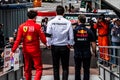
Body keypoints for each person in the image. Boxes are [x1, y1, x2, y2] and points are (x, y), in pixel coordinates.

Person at [10, 10, 47, 80]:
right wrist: (47, 44)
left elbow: (17, 40)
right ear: (35, 17)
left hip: (26, 50)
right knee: (39, 68)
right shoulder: (37, 26)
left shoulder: (22, 26)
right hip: (35, 50)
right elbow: (43, 39)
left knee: (27, 68)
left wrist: (13, 50)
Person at [46, 5, 74, 80]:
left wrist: (48, 44)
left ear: (56, 12)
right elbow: (71, 36)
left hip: (54, 46)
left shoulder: (51, 22)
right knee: (65, 67)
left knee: (55, 67)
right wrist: (70, 44)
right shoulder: (68, 22)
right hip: (65, 46)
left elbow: (48, 34)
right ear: (63, 13)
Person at [73, 14, 96, 80]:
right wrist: (94, 52)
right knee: (86, 69)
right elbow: (93, 43)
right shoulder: (89, 31)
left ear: (78, 20)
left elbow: (71, 41)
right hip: (87, 53)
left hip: (77, 53)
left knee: (77, 69)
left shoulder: (75, 30)